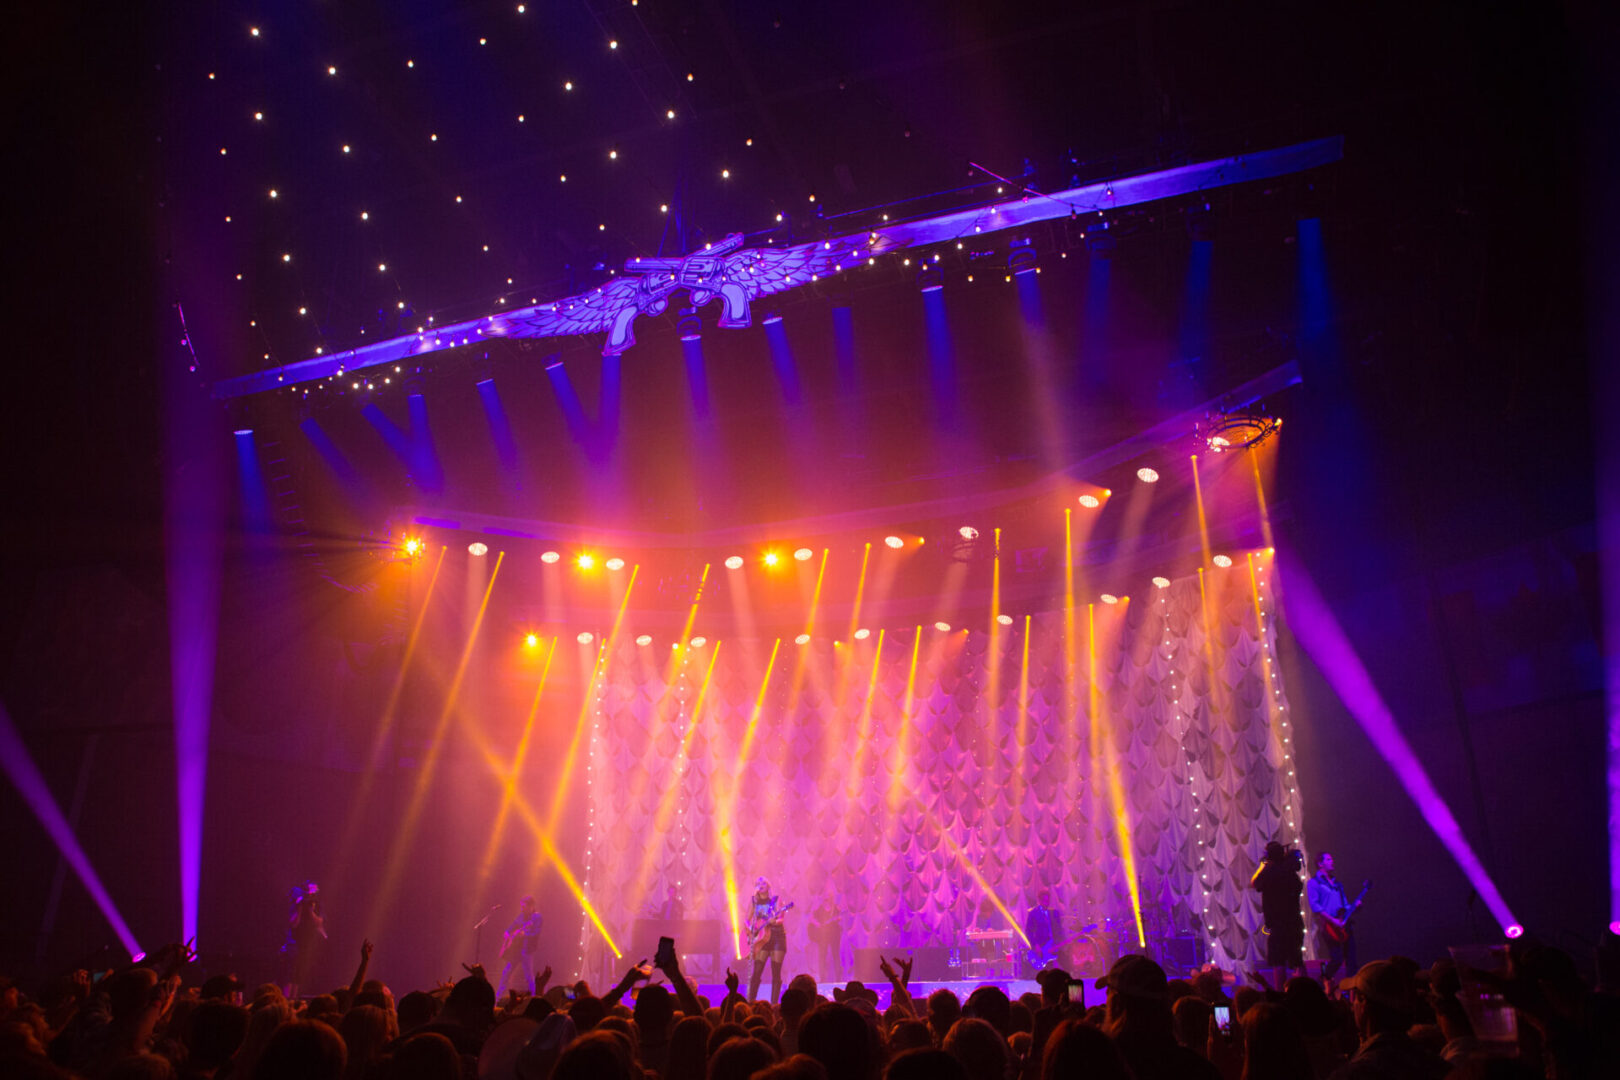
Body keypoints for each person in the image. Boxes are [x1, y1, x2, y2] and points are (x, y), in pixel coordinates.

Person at [1250, 842, 1306, 988]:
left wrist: (1263, 865)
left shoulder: (1268, 871)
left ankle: (1281, 995)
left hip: (1277, 924)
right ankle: (1305, 991)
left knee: (1278, 961)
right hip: (1294, 921)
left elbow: (1254, 883)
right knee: (1297, 960)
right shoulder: (1290, 872)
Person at [1307, 851, 1360, 982]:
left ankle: (1351, 992)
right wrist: (1333, 921)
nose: (1332, 861)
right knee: (1336, 959)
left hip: (1343, 924)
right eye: (1328, 859)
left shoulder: (1337, 884)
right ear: (1320, 864)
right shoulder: (1314, 883)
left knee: (1351, 960)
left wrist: (1355, 907)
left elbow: (1345, 905)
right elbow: (1315, 906)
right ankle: (1322, 982)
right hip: (1329, 926)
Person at [746, 878, 790, 1004]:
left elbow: (781, 918)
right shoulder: (754, 901)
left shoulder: (775, 900)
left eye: (764, 883)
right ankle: (751, 1003)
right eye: (758, 884)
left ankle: (774, 1005)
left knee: (776, 972)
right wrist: (750, 929)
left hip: (777, 936)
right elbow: (747, 919)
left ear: (769, 886)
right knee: (757, 971)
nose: (761, 885)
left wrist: (774, 921)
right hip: (762, 939)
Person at [282, 881, 327, 996]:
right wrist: (300, 909)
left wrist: (311, 911)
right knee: (289, 972)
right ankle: (287, 998)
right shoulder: (297, 904)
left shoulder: (318, 905)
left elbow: (319, 922)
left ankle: (294, 998)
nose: (311, 895)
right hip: (294, 942)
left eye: (314, 891)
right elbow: (294, 924)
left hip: (308, 943)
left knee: (299, 973)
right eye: (309, 891)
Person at [496, 895, 544, 997]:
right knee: (506, 973)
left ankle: (532, 997)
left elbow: (536, 933)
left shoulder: (537, 917)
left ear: (531, 906)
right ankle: (498, 998)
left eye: (524, 906)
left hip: (527, 950)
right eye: (521, 906)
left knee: (528, 976)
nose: (522, 909)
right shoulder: (521, 915)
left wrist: (525, 935)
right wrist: (507, 932)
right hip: (516, 950)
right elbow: (513, 925)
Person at [1025, 890, 1061, 971]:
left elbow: (1059, 930)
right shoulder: (1033, 913)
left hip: (1053, 945)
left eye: (1048, 901)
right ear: (1039, 901)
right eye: (1044, 901)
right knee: (1045, 970)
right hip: (1041, 946)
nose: (1046, 903)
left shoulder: (1054, 913)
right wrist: (1035, 945)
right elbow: (1028, 931)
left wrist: (1059, 942)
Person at [807, 896, 841, 981]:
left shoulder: (835, 909)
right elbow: (811, 919)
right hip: (823, 937)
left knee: (836, 955)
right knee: (822, 957)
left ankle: (838, 979)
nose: (827, 903)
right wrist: (818, 924)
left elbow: (840, 918)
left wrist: (837, 918)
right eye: (826, 901)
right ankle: (822, 978)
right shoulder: (819, 910)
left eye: (828, 901)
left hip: (834, 936)